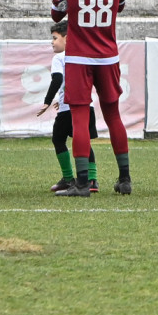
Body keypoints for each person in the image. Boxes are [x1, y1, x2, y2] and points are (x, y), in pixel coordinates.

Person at [50, 0, 131, 197]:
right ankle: (125, 178)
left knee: (80, 118)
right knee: (114, 116)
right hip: (108, 54)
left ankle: (82, 183)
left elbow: (56, 11)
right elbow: (118, 6)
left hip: (78, 56)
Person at [38, 21, 100, 194]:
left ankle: (67, 178)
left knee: (58, 139)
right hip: (86, 105)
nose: (52, 42)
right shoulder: (82, 55)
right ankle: (92, 179)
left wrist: (47, 100)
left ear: (67, 38)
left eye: (55, 38)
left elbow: (57, 79)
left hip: (69, 109)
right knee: (84, 141)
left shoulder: (59, 58)